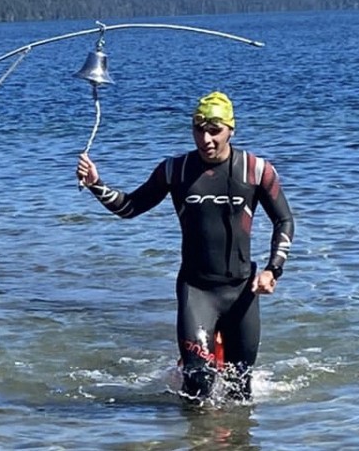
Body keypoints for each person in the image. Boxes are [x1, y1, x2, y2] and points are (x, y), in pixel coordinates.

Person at [76, 91, 294, 402]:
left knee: (239, 393)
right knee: (198, 387)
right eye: (198, 130)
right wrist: (97, 184)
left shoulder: (256, 171)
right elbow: (130, 207)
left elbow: (284, 221)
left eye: (214, 131)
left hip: (243, 292)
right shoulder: (175, 170)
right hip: (197, 291)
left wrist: (273, 270)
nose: (206, 139)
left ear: (231, 129)